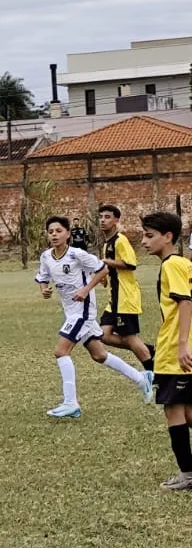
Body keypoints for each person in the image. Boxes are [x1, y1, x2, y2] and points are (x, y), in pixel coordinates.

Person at [34, 215, 152, 419]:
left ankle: (71, 403)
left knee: (61, 351)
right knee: (99, 355)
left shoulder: (77, 254)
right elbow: (43, 277)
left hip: (83, 310)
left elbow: (102, 269)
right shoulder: (46, 257)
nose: (54, 234)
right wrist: (44, 289)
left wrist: (86, 290)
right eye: (51, 231)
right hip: (70, 311)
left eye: (59, 231)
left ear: (68, 234)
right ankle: (142, 379)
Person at [139, 213, 192, 488]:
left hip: (176, 350)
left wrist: (182, 345)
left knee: (174, 409)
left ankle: (187, 474)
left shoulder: (173, 265)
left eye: (149, 235)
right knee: (187, 411)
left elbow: (185, 303)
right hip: (175, 346)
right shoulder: (184, 263)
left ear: (168, 236)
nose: (144, 241)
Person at [96, 204, 154, 371]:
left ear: (116, 220)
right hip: (113, 300)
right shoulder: (107, 244)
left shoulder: (121, 240)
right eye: (101, 217)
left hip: (125, 298)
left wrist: (107, 262)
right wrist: (105, 277)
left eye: (107, 217)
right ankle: (147, 349)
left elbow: (130, 264)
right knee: (103, 335)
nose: (102, 220)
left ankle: (152, 371)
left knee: (129, 337)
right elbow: (111, 268)